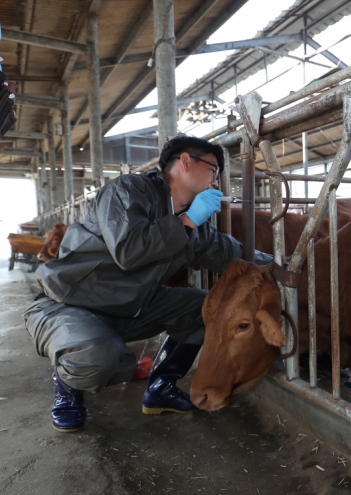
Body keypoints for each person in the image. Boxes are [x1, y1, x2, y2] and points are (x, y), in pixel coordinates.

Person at [23, 135, 272, 433]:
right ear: (185, 161)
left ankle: (161, 387)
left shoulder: (190, 222)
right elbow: (129, 251)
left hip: (132, 307)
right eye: (214, 170)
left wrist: (281, 264)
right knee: (99, 359)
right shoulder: (127, 191)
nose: (216, 182)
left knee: (209, 308)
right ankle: (67, 385)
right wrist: (189, 220)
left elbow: (225, 251)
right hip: (71, 305)